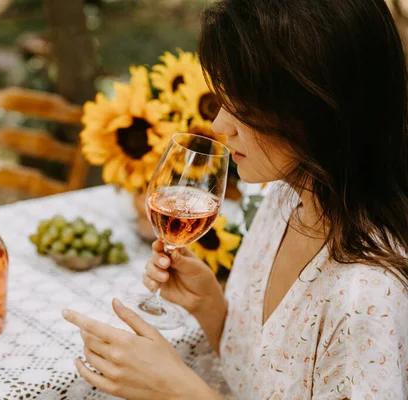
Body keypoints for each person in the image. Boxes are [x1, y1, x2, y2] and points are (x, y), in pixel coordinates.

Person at [62, 0, 408, 398]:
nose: (218, 125)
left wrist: (182, 393)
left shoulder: (366, 296)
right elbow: (258, 379)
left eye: (243, 107)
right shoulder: (282, 204)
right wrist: (210, 304)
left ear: (319, 110)